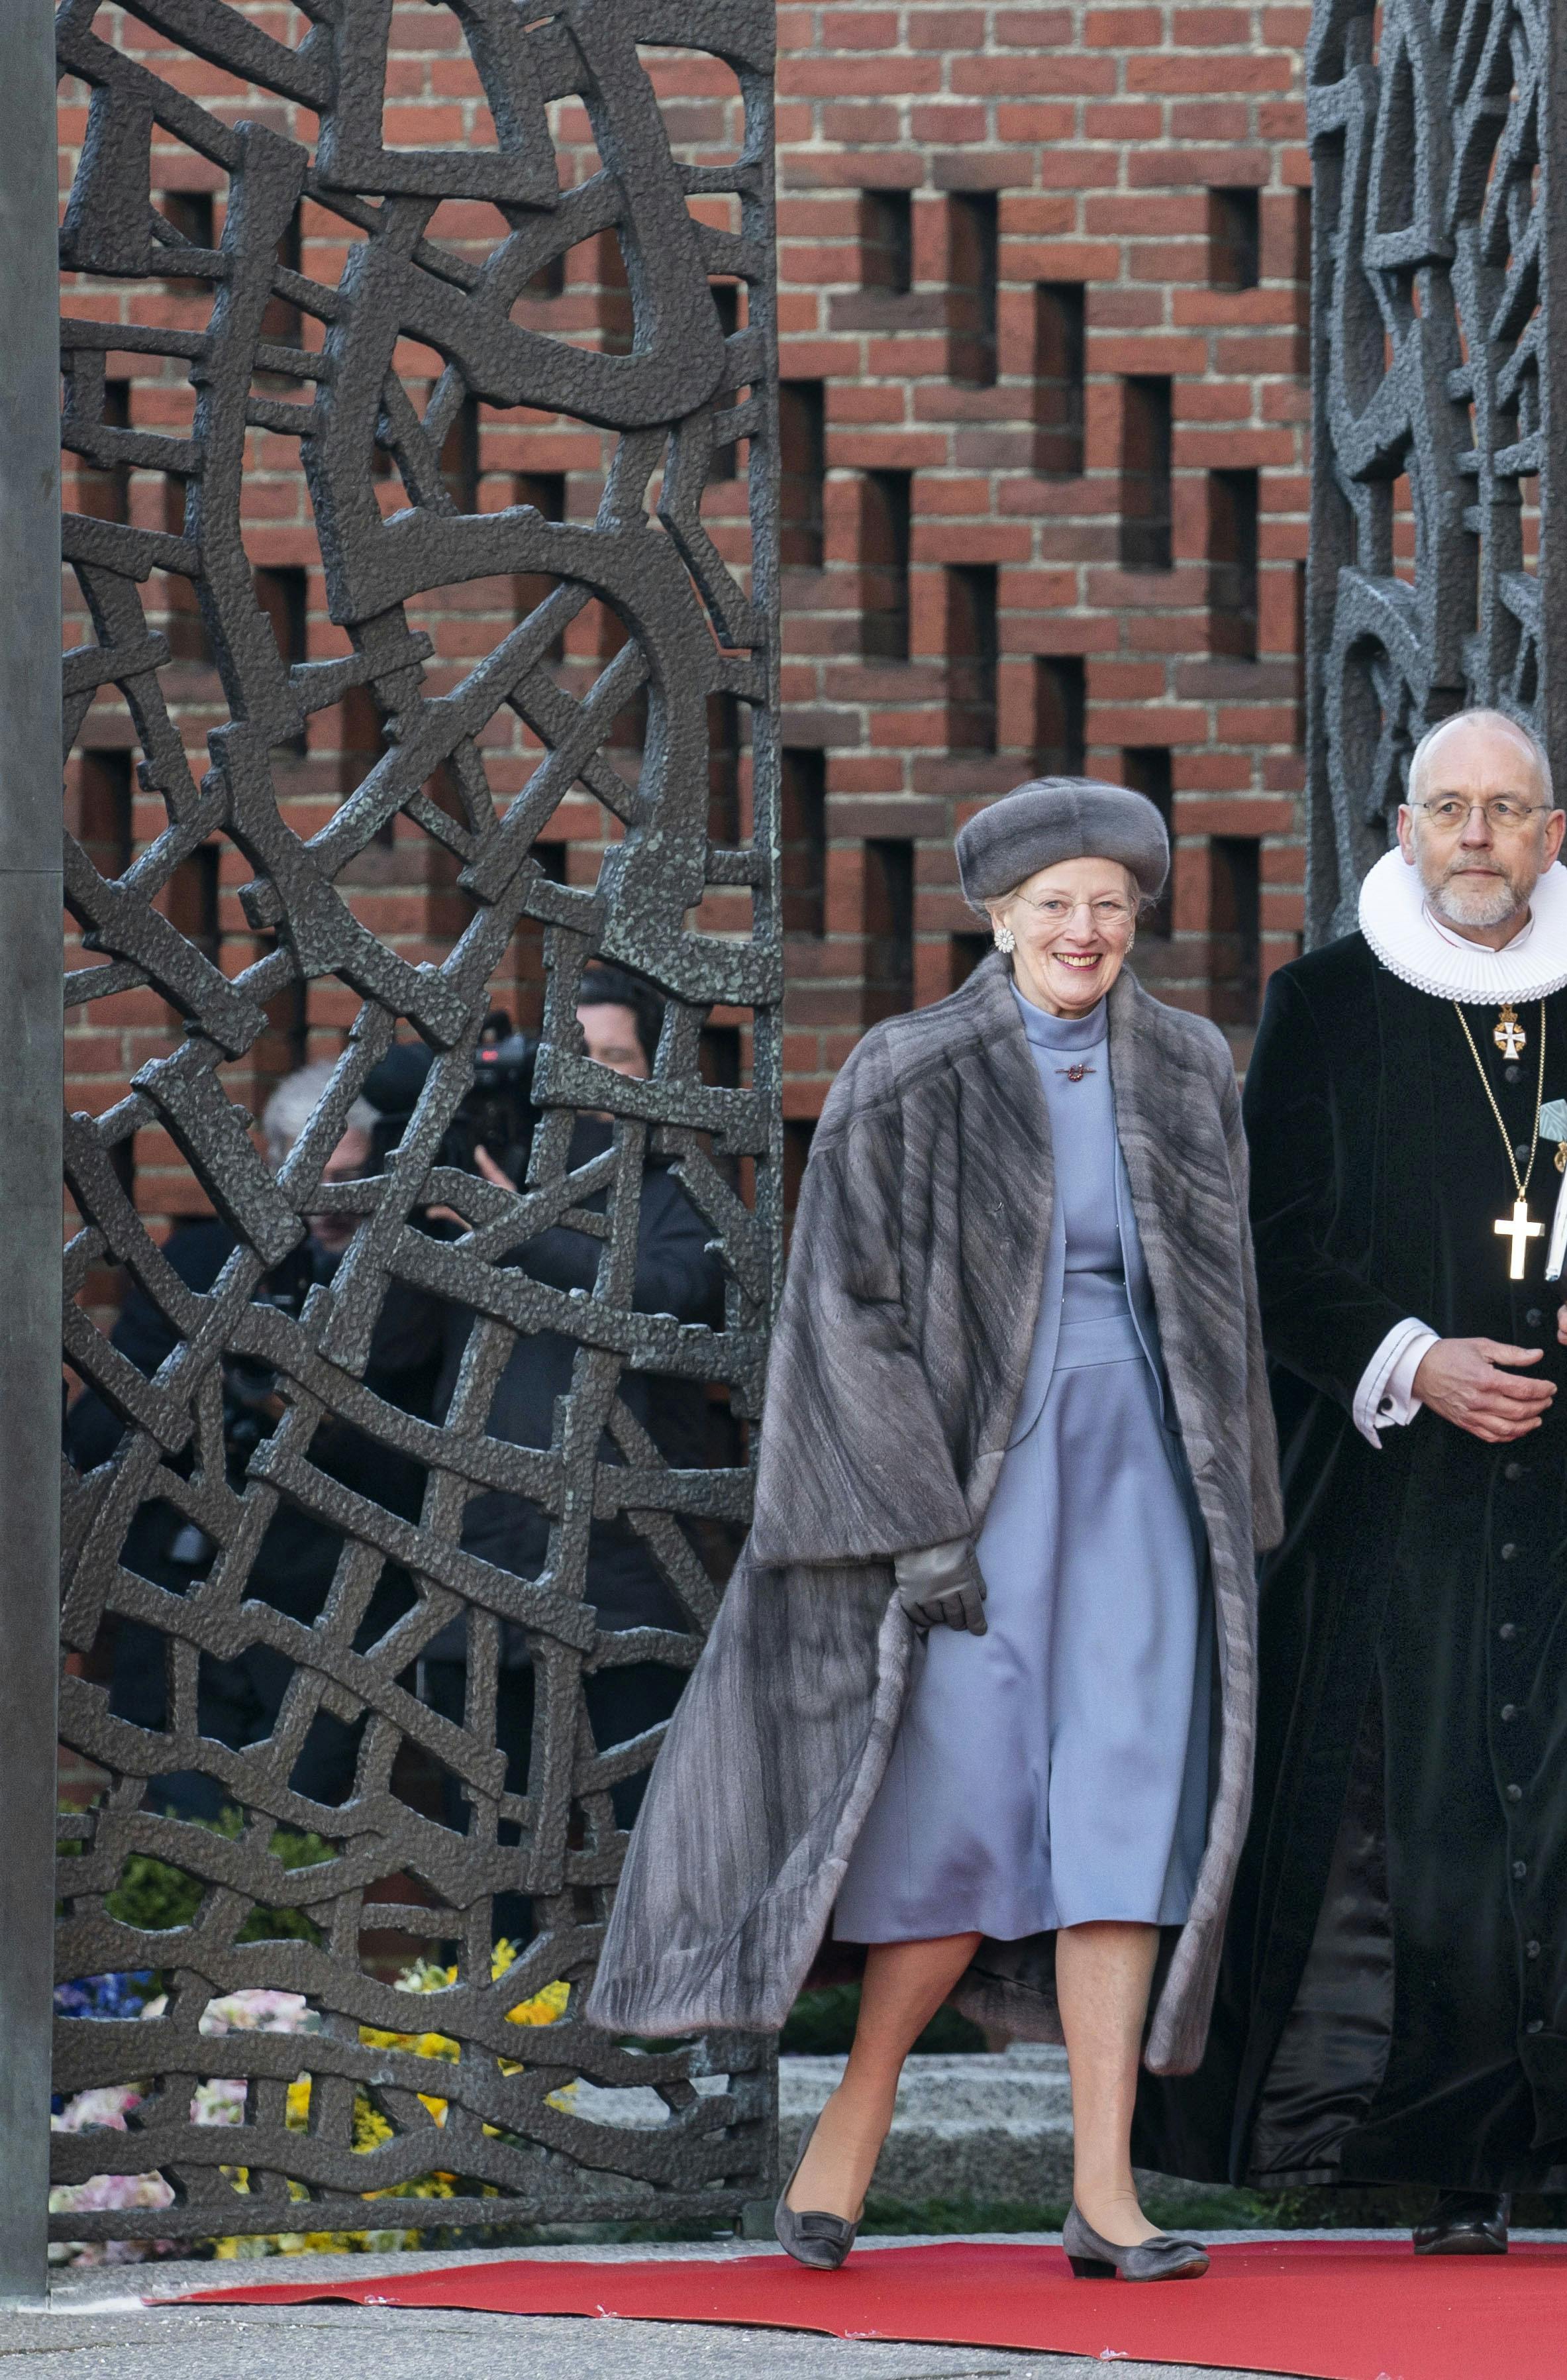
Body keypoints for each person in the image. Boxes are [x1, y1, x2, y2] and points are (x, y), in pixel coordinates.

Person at [587, 776, 1281, 2283]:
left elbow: (1226, 1303)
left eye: (1108, 902)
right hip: (969, 1500)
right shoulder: (908, 1070)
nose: (1084, 929)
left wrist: (1243, 1501)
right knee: (956, 1822)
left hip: (1145, 1488)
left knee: (1121, 1818)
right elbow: (842, 1317)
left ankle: (1105, 2193)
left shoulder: (1184, 1061)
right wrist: (914, 1528)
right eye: (1053, 905)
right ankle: (855, 2110)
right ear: (996, 915)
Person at [1136, 710, 1567, 2253]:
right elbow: (1271, 1243)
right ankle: (1452, 2166)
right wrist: (1411, 1355)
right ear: (1405, 827)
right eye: (1449, 808)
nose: (1478, 835)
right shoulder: (1326, 1003)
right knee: (1422, 1806)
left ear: (1551, 834)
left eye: (1508, 809)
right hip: (1404, 1482)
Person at [400, 964, 726, 1934]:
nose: (588, 1088)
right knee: (491, 1867)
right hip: (480, 1582)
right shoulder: (470, 1181)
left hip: (623, 1584)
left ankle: (652, 2059)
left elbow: (670, 1295)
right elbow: (383, 1353)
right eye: (570, 1065)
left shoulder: (680, 1191)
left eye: (611, 1064)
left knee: (643, 1856)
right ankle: (499, 2061)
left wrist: (517, 1230)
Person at [64, 1062, 434, 1814]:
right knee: (164, 1858)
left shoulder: (409, 1291)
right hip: (182, 1613)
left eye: (349, 1179)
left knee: (289, 1863)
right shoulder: (200, 1268)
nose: (329, 1204)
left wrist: (310, 1413)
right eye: (310, 1175)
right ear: (269, 1166)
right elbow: (96, 1430)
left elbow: (420, 1479)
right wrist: (201, 1379)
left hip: (325, 1628)